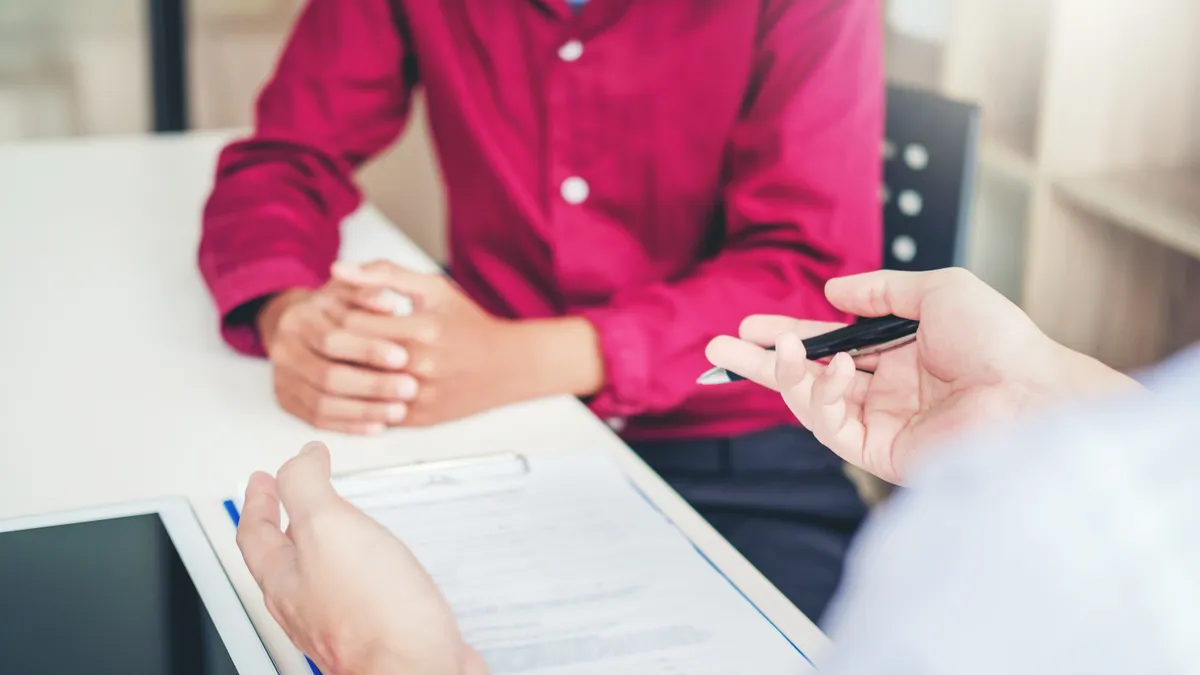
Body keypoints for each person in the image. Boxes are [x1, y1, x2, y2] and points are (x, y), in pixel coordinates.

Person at [199, 0, 884, 619]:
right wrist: (287, 314)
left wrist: (520, 358)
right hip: (488, 428)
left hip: (735, 454)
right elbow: (288, 154)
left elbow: (807, 274)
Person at [236, 268, 1198, 675]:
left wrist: (401, 658)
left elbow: (796, 260)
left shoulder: (1013, 562)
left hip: (743, 452)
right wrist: (291, 310)